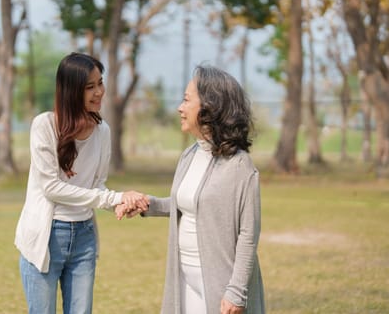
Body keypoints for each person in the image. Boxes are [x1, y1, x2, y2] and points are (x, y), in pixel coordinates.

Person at [117, 65, 265, 314]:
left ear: (210, 107)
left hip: (221, 285)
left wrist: (237, 291)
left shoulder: (239, 165)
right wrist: (147, 204)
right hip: (185, 278)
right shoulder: (190, 154)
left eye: (187, 100)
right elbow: (186, 204)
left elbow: (249, 233)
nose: (180, 108)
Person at [15, 52, 149, 314]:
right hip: (46, 236)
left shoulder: (103, 132)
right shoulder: (44, 125)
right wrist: (113, 198)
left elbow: (97, 185)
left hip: (84, 238)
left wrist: (119, 203)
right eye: (90, 87)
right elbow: (51, 188)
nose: (99, 92)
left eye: (100, 83)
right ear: (70, 90)